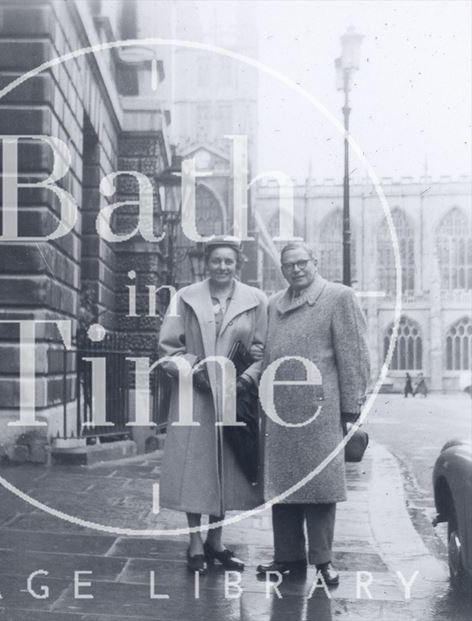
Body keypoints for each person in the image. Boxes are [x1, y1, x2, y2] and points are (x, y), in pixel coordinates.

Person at [256, 242, 370, 587]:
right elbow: (265, 354)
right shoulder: (274, 304)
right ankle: (287, 558)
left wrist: (351, 408)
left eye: (302, 262)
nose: (296, 270)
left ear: (315, 262)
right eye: (288, 265)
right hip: (279, 412)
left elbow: (353, 355)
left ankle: (323, 561)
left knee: (320, 489)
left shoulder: (339, 297)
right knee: (282, 487)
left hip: (321, 412)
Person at [157, 236, 268, 574]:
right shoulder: (185, 297)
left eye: (228, 262)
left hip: (235, 397)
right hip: (195, 396)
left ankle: (215, 542)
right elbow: (167, 349)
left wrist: (245, 379)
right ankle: (194, 544)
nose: (222, 267)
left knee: (227, 471)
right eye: (216, 261)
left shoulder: (256, 300)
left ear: (238, 264)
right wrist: (194, 369)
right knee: (195, 470)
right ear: (207, 263)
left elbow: (264, 350)